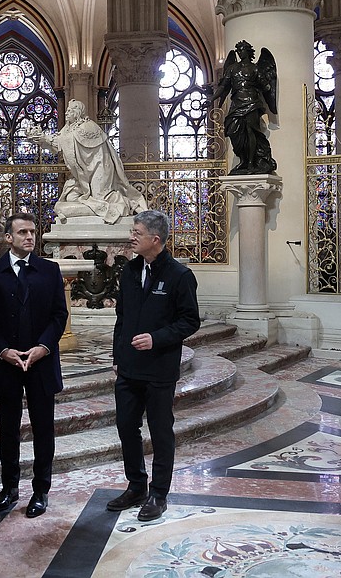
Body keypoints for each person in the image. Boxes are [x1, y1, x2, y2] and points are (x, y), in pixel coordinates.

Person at [107, 210, 200, 521]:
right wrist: (118, 356)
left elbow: (189, 321)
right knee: (125, 427)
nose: (132, 237)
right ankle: (137, 486)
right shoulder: (129, 270)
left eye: (137, 232)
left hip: (159, 367)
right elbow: (122, 318)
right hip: (128, 368)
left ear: (155, 239)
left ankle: (159, 492)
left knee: (160, 431)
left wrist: (157, 338)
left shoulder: (179, 275)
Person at [0, 212, 68, 518]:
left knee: (44, 430)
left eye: (33, 231)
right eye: (23, 232)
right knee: (8, 430)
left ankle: (41, 490)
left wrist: (43, 347)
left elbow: (59, 315)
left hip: (41, 362)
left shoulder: (50, 270)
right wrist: (2, 350)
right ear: (8, 237)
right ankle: (9, 487)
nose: (30, 237)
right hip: (7, 364)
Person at [27, 99, 146, 223]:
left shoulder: (88, 126)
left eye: (69, 111)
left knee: (101, 197)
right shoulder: (68, 129)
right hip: (84, 174)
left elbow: (66, 141)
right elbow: (59, 142)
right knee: (70, 198)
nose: (66, 113)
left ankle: (127, 204)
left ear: (77, 113)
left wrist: (46, 138)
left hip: (100, 168)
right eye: (66, 110)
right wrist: (41, 139)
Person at [212, 40, 278, 175]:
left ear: (248, 51)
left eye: (242, 50)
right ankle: (243, 159)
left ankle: (250, 163)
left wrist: (265, 83)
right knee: (232, 130)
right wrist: (211, 100)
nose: (239, 53)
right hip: (237, 103)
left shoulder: (255, 68)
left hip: (252, 103)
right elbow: (223, 87)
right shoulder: (232, 68)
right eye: (238, 51)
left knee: (251, 131)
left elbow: (265, 86)